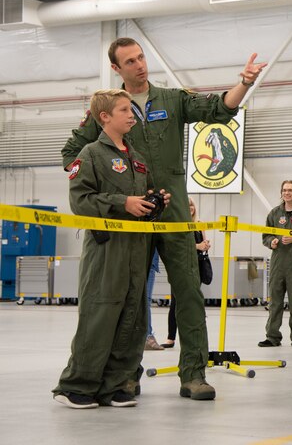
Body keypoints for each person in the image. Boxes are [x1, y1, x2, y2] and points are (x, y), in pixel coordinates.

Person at [61, 37, 266, 401]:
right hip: (131, 221)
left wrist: (245, 83)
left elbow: (218, 109)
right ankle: (124, 377)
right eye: (130, 61)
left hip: (173, 216)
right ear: (116, 68)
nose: (139, 65)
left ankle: (193, 375)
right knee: (129, 297)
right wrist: (117, 197)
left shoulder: (172, 99)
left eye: (141, 57)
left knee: (188, 291)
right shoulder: (106, 109)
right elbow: (72, 157)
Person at [53, 89, 159, 408]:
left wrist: (155, 203)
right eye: (125, 110)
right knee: (99, 313)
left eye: (132, 110)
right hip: (106, 251)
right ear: (105, 117)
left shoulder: (137, 160)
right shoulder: (90, 154)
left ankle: (116, 385)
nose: (131, 115)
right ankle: (78, 386)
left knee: (132, 317)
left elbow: (143, 199)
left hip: (136, 251)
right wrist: (121, 202)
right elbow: (80, 201)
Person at [258, 180, 292, 347]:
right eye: (284, 190)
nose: (287, 193)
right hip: (278, 261)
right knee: (275, 301)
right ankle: (272, 336)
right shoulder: (274, 213)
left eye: (290, 190)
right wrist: (271, 241)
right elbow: (265, 235)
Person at [162, 198, 211, 349]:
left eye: (191, 205)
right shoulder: (178, 225)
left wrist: (206, 245)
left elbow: (204, 243)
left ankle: (193, 337)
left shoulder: (199, 224)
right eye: (187, 205)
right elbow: (177, 246)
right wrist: (197, 246)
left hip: (197, 266)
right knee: (176, 303)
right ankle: (171, 338)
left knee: (193, 302)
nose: (190, 208)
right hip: (181, 266)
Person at [144, 250, 164, 350]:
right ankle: (147, 337)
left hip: (150, 262)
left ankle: (147, 336)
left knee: (146, 300)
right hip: (137, 261)